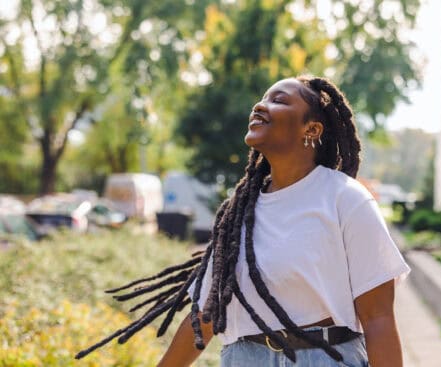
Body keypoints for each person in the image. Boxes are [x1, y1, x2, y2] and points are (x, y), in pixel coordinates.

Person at [76, 76, 410, 367]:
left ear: (311, 129)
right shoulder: (238, 213)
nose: (260, 106)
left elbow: (378, 318)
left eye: (278, 100)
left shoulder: (344, 198)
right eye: (262, 98)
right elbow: (205, 316)